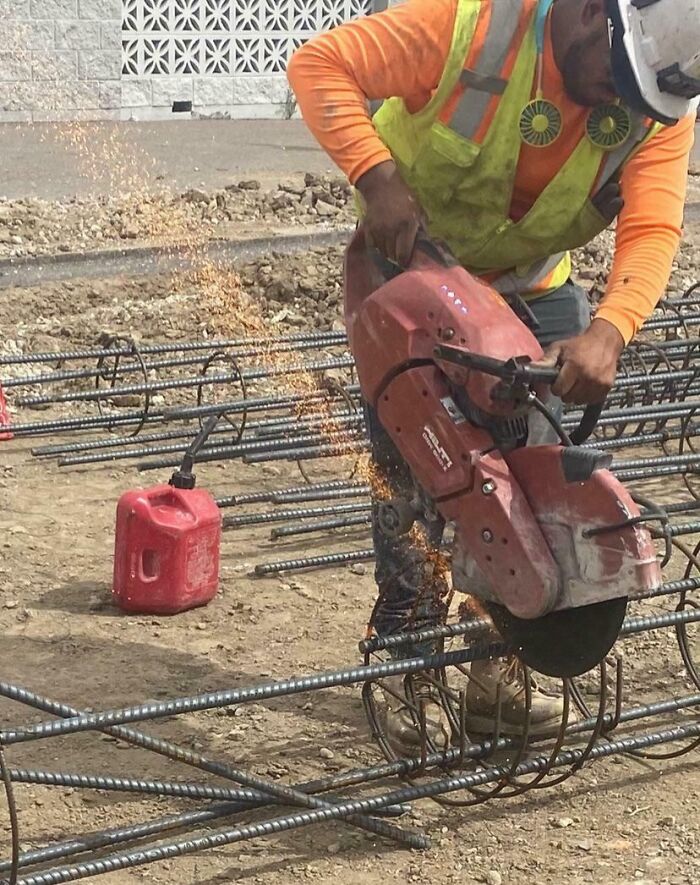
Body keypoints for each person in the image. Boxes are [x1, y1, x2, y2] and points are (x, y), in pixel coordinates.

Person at [288, 0, 700, 751]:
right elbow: (320, 66)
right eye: (612, 78)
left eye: (635, 96)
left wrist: (608, 331)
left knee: (530, 473)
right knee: (421, 468)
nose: (617, 103)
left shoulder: (654, 107)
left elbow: (653, 225)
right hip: (413, 271)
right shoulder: (469, 25)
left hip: (533, 283)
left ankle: (497, 670)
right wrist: (376, 178)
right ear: (584, 15)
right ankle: (406, 666)